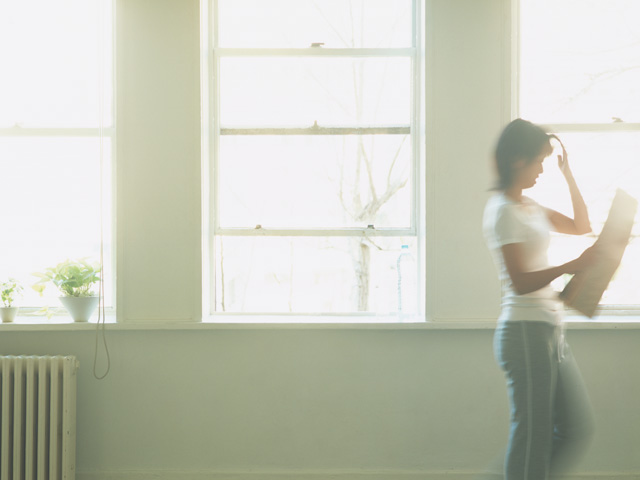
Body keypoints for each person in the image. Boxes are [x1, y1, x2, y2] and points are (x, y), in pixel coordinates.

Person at [483, 119, 596, 480]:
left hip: (550, 329)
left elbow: (581, 226)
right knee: (532, 437)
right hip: (525, 332)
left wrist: (569, 175)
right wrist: (571, 266)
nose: (541, 170)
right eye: (539, 162)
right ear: (518, 160)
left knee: (575, 428)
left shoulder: (529, 205)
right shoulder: (503, 210)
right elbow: (519, 283)